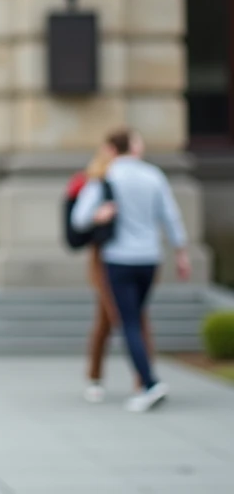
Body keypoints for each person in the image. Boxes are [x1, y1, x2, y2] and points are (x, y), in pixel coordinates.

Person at [70, 127, 190, 412]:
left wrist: (100, 216)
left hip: (119, 258)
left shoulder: (105, 178)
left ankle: (148, 383)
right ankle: (139, 380)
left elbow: (79, 219)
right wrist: (181, 252)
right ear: (132, 147)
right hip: (150, 258)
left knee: (130, 323)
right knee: (136, 318)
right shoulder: (153, 175)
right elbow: (170, 217)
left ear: (113, 148)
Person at [69, 145, 155, 404]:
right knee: (124, 317)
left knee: (113, 319)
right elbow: (77, 223)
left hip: (130, 257)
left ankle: (130, 378)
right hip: (104, 257)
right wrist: (98, 216)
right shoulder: (94, 184)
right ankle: (144, 380)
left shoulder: (137, 181)